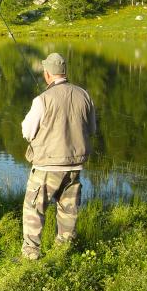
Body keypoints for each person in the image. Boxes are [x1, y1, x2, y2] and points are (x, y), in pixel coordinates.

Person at [20, 52, 96, 260]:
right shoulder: (84, 95)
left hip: (47, 167)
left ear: (47, 74)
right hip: (74, 166)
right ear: (64, 72)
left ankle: (31, 254)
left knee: (34, 208)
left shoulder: (42, 100)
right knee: (68, 210)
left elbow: (27, 131)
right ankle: (64, 251)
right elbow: (92, 129)